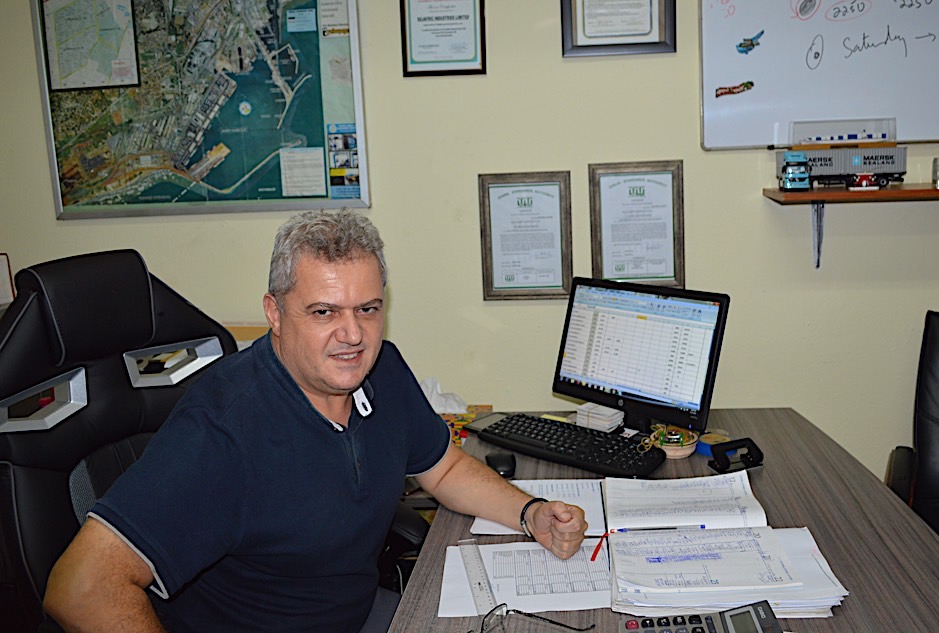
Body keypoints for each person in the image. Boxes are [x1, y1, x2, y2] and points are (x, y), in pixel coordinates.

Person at [44, 210, 587, 633]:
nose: (352, 335)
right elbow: (80, 588)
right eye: (324, 312)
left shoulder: (383, 370)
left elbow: (442, 469)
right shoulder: (222, 428)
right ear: (275, 314)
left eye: (367, 309)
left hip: (358, 613)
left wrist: (529, 513)